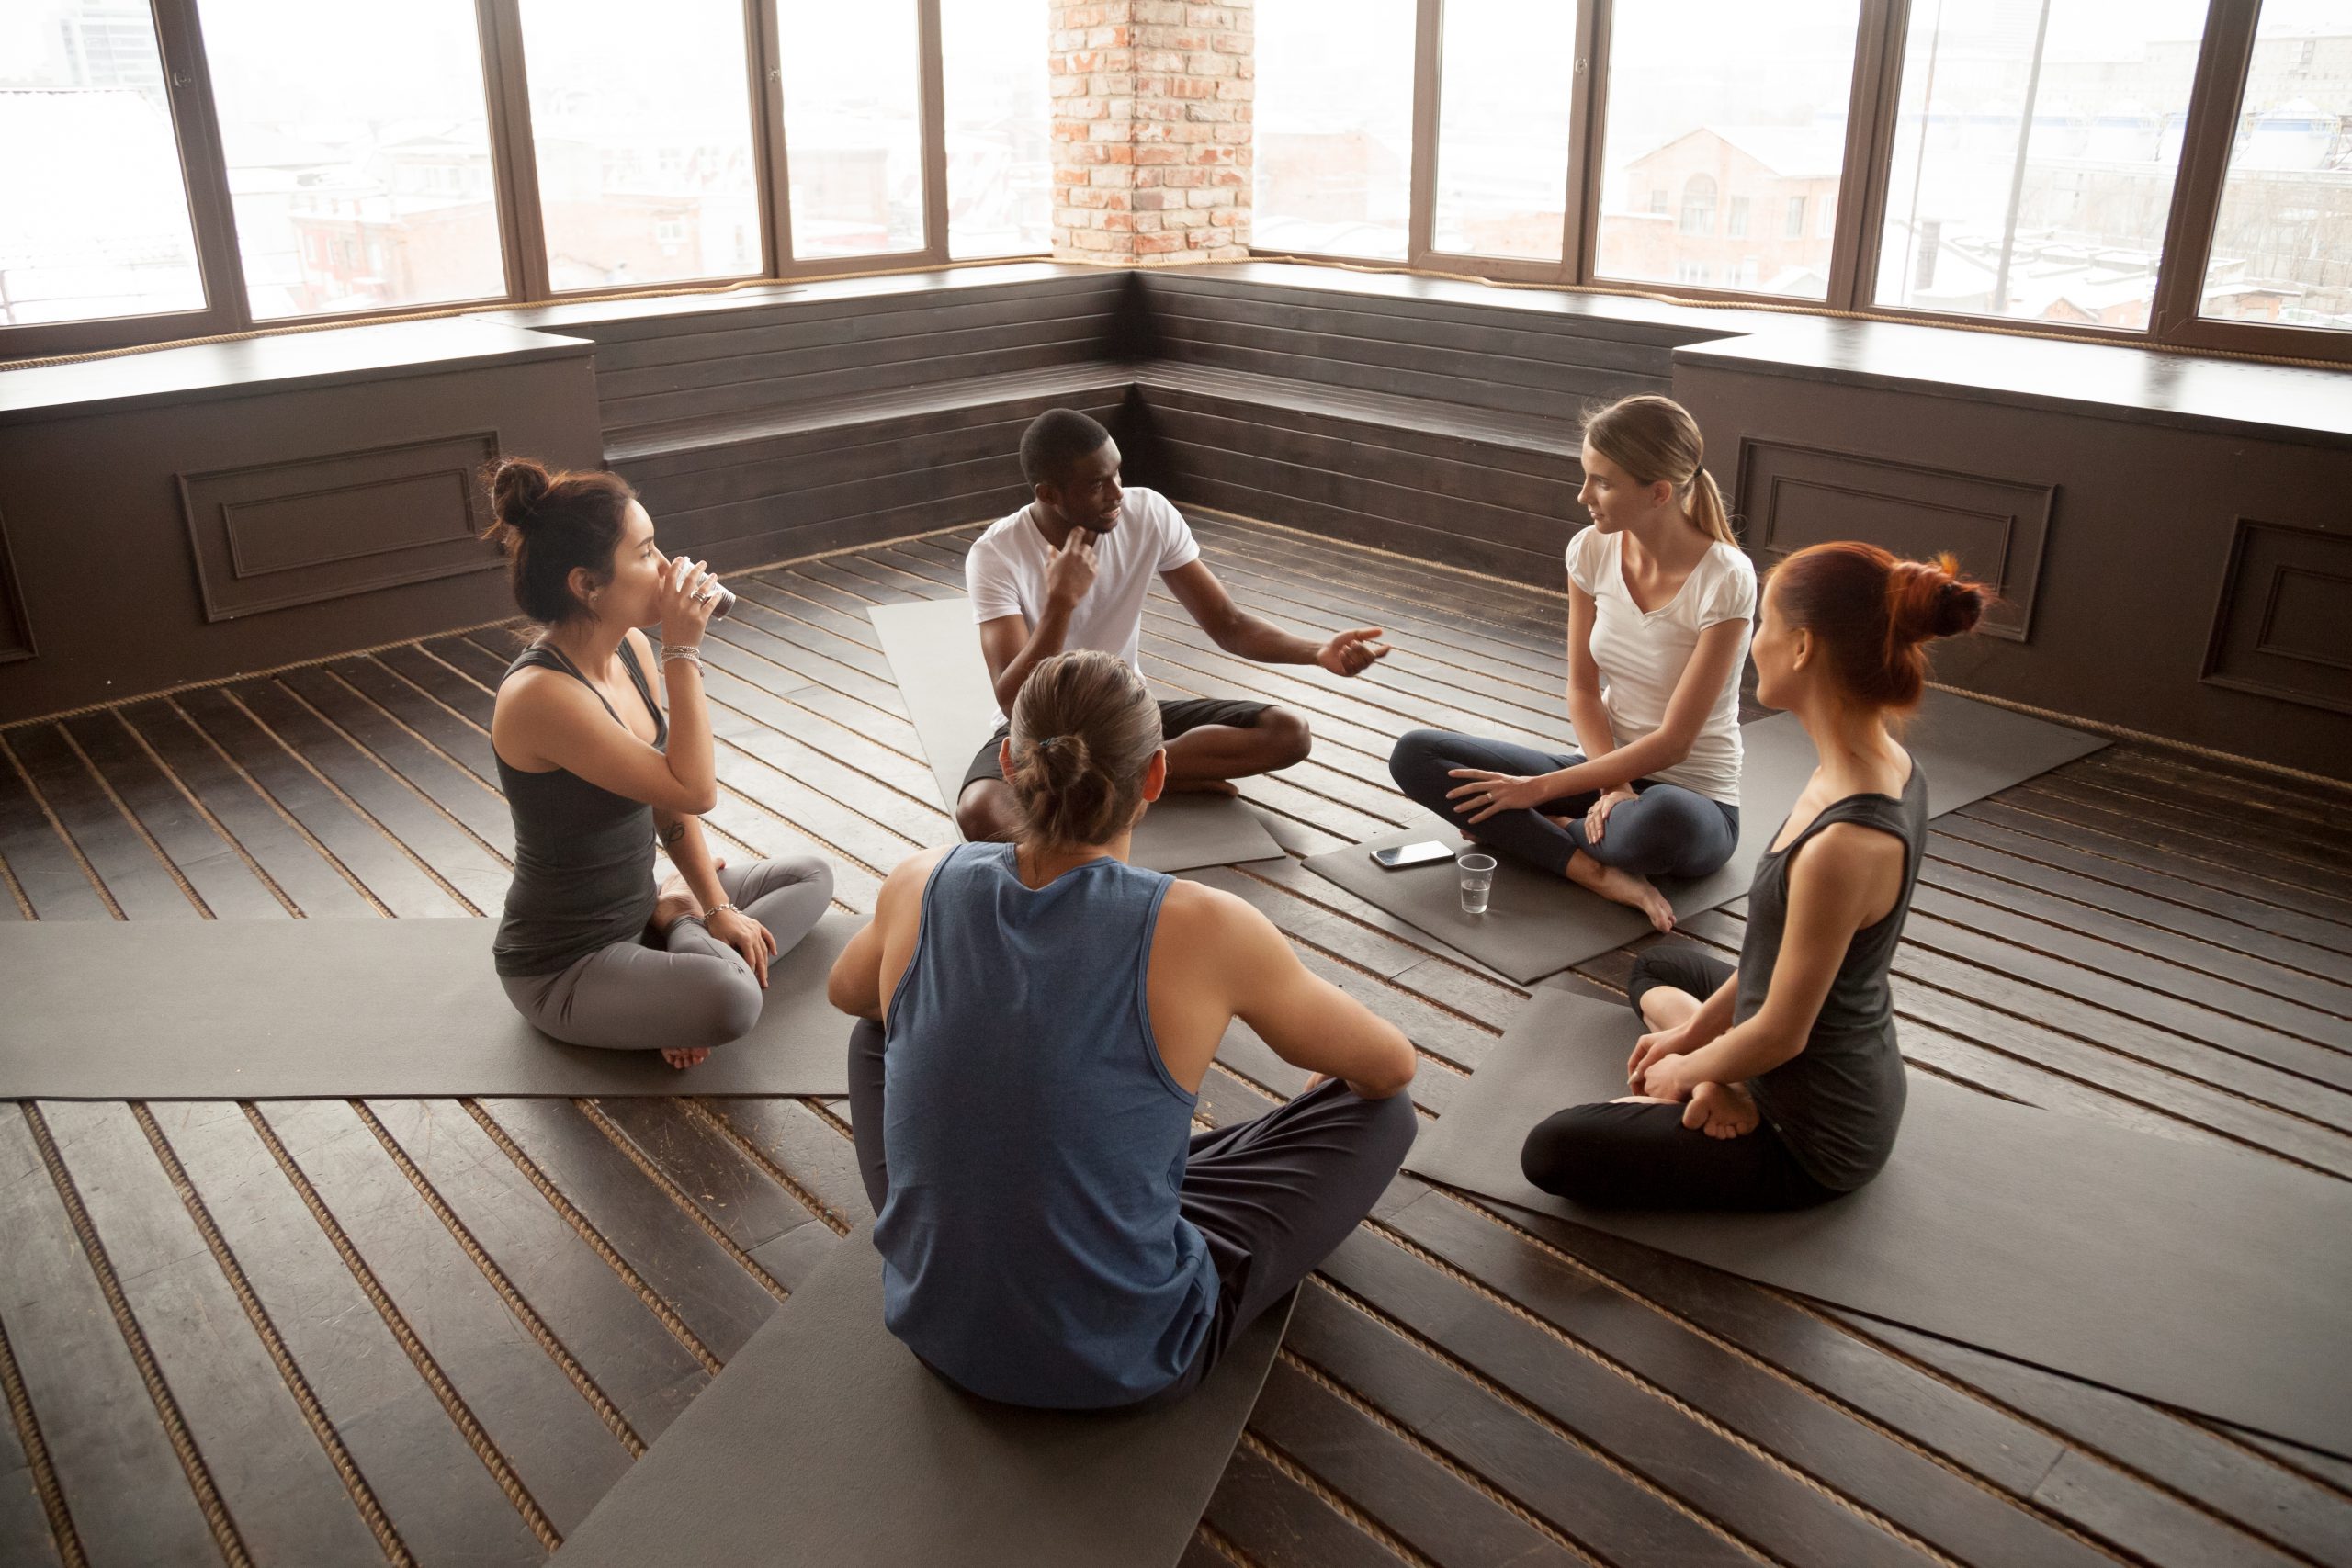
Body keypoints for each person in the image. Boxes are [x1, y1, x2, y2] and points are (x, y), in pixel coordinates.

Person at [829, 649, 1419, 1409]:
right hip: (1131, 1357)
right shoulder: (1209, 925)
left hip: (935, 1325)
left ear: (1009, 765)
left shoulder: (920, 879)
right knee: (1385, 1114)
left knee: (878, 1023)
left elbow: (849, 992)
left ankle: (978, 1217)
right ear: (1156, 777)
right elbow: (1391, 1066)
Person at [1519, 543, 1987, 1211]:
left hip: (1812, 1132)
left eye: (1764, 626)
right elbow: (1775, 951)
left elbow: (1781, 1034)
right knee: (1660, 969)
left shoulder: (1846, 842)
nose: (1755, 643)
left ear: (1800, 647)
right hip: (1823, 1044)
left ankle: (1732, 1090)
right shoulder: (1870, 763)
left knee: (1553, 1148)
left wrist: (1683, 1071)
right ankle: (1725, 1083)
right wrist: (1688, 1038)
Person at [483, 459, 834, 1071]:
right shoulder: (541, 697)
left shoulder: (630, 648)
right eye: (646, 554)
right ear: (586, 584)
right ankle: (679, 932)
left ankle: (679, 931)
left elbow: (670, 805)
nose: (669, 568)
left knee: (811, 877)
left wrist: (716, 904)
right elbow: (696, 787)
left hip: (637, 902)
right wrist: (684, 649)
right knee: (733, 1000)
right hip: (568, 962)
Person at [1387, 395, 1754, 932]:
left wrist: (1534, 795)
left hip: (1693, 798)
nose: (1584, 495)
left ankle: (1542, 828)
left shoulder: (1725, 578)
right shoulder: (1590, 551)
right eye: (1586, 477)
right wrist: (1612, 787)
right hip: (1603, 777)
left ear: (1658, 493)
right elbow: (1583, 691)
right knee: (1416, 755)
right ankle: (1593, 869)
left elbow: (1676, 742)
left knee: (1658, 824)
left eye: (1602, 482)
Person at [954, 408, 1392, 842]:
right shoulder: (996, 554)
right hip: (1042, 729)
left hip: (1124, 711)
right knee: (980, 816)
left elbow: (1229, 624)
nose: (1117, 493)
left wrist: (1316, 652)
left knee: (1288, 734)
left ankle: (1114, 787)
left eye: (1117, 474)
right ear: (1049, 494)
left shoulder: (1148, 514)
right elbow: (1014, 701)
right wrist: (1060, 605)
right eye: (1096, 484)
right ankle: (1143, 783)